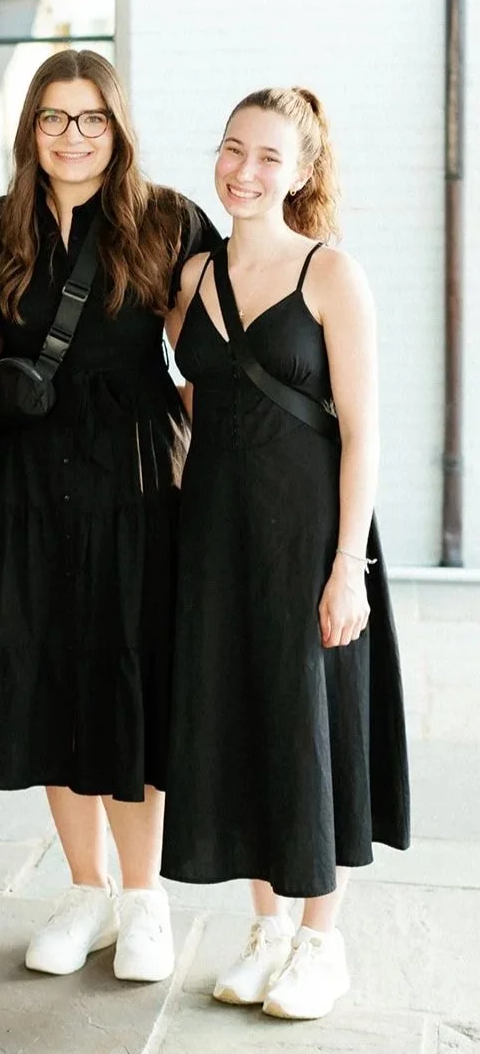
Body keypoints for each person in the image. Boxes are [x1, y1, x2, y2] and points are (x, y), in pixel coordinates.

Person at [0, 49, 220, 984]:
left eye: (91, 119)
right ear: (29, 129)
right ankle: (84, 887)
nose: (72, 136)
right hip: (26, 475)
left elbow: (207, 362)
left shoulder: (168, 219)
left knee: (127, 670)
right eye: (54, 118)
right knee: (51, 672)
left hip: (136, 471)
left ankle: (143, 896)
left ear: (117, 127)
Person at [163, 87, 410, 1020]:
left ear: (301, 172)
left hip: (309, 532)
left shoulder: (331, 274)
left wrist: (348, 563)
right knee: (237, 717)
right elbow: (197, 401)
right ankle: (264, 925)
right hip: (216, 535)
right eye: (232, 149)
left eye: (268, 156)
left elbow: (363, 431)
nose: (244, 170)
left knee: (312, 723)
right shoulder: (188, 280)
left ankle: (318, 939)